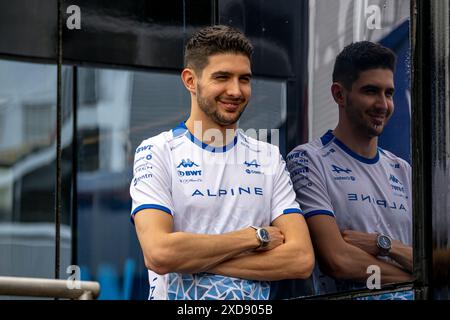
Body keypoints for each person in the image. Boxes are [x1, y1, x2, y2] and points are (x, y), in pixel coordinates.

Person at [129, 25, 314, 300]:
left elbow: (301, 259)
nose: (236, 91)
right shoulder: (157, 151)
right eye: (223, 77)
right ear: (191, 81)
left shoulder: (268, 157)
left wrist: (192, 260)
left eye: (245, 79)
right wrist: (255, 237)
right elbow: (159, 253)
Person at [287, 41, 413, 299]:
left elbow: (439, 263)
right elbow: (338, 260)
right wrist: (416, 276)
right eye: (370, 91)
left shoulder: (404, 171)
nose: (382, 104)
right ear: (339, 94)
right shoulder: (308, 160)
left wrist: (385, 245)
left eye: (388, 93)